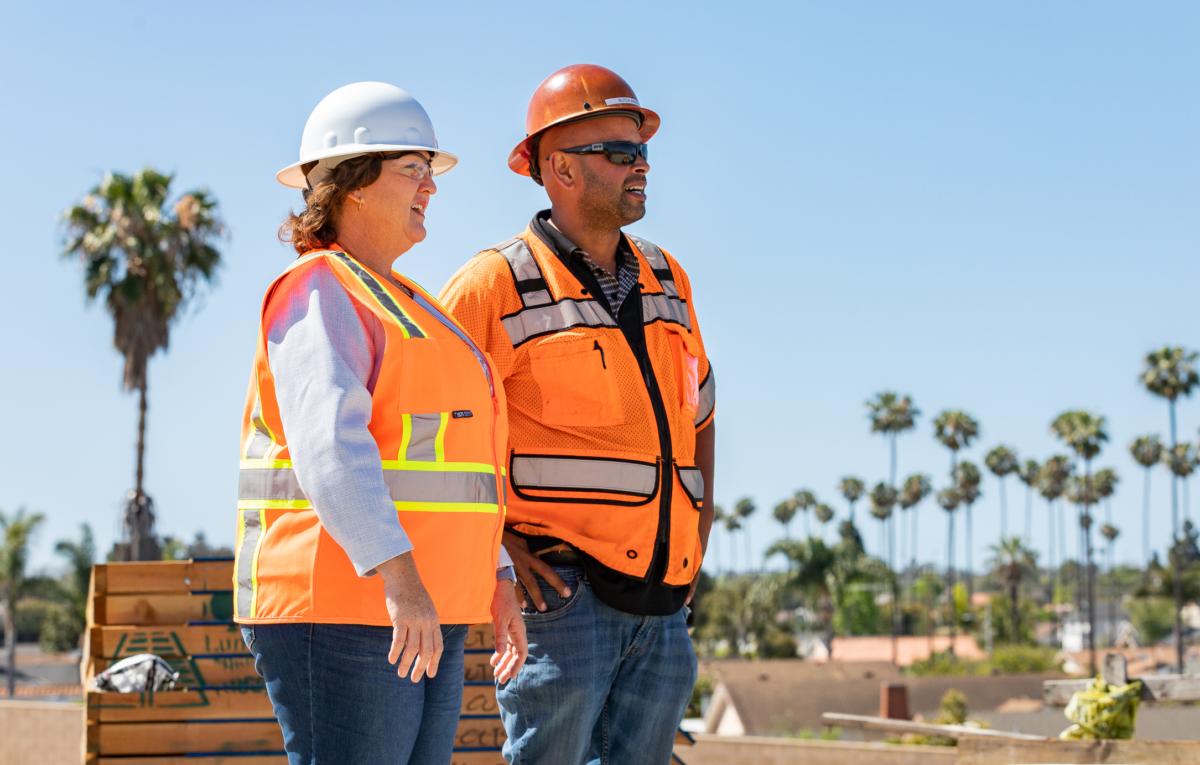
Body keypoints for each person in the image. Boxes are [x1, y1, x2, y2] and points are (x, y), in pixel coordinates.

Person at [234, 81, 526, 764]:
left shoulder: (418, 307)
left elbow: (462, 465)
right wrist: (402, 580)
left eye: (431, 171)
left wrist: (498, 579)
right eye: (413, 170)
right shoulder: (319, 290)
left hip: (425, 606)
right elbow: (331, 451)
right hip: (351, 608)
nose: (431, 187)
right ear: (354, 183)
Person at [440, 65, 716, 765]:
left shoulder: (669, 278)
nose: (641, 167)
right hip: (564, 603)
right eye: (621, 153)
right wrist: (497, 548)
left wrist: (696, 545)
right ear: (559, 167)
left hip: (663, 608)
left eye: (644, 152)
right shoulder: (493, 285)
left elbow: (702, 415)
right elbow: (435, 433)